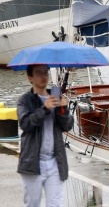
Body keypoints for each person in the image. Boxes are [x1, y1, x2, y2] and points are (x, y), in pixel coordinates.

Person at [17, 64, 73, 207]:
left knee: (55, 204)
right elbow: (25, 124)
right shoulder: (25, 100)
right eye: (38, 73)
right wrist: (44, 109)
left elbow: (67, 126)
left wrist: (62, 110)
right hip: (33, 162)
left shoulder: (55, 98)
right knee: (32, 203)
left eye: (45, 72)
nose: (43, 76)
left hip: (55, 161)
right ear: (30, 77)